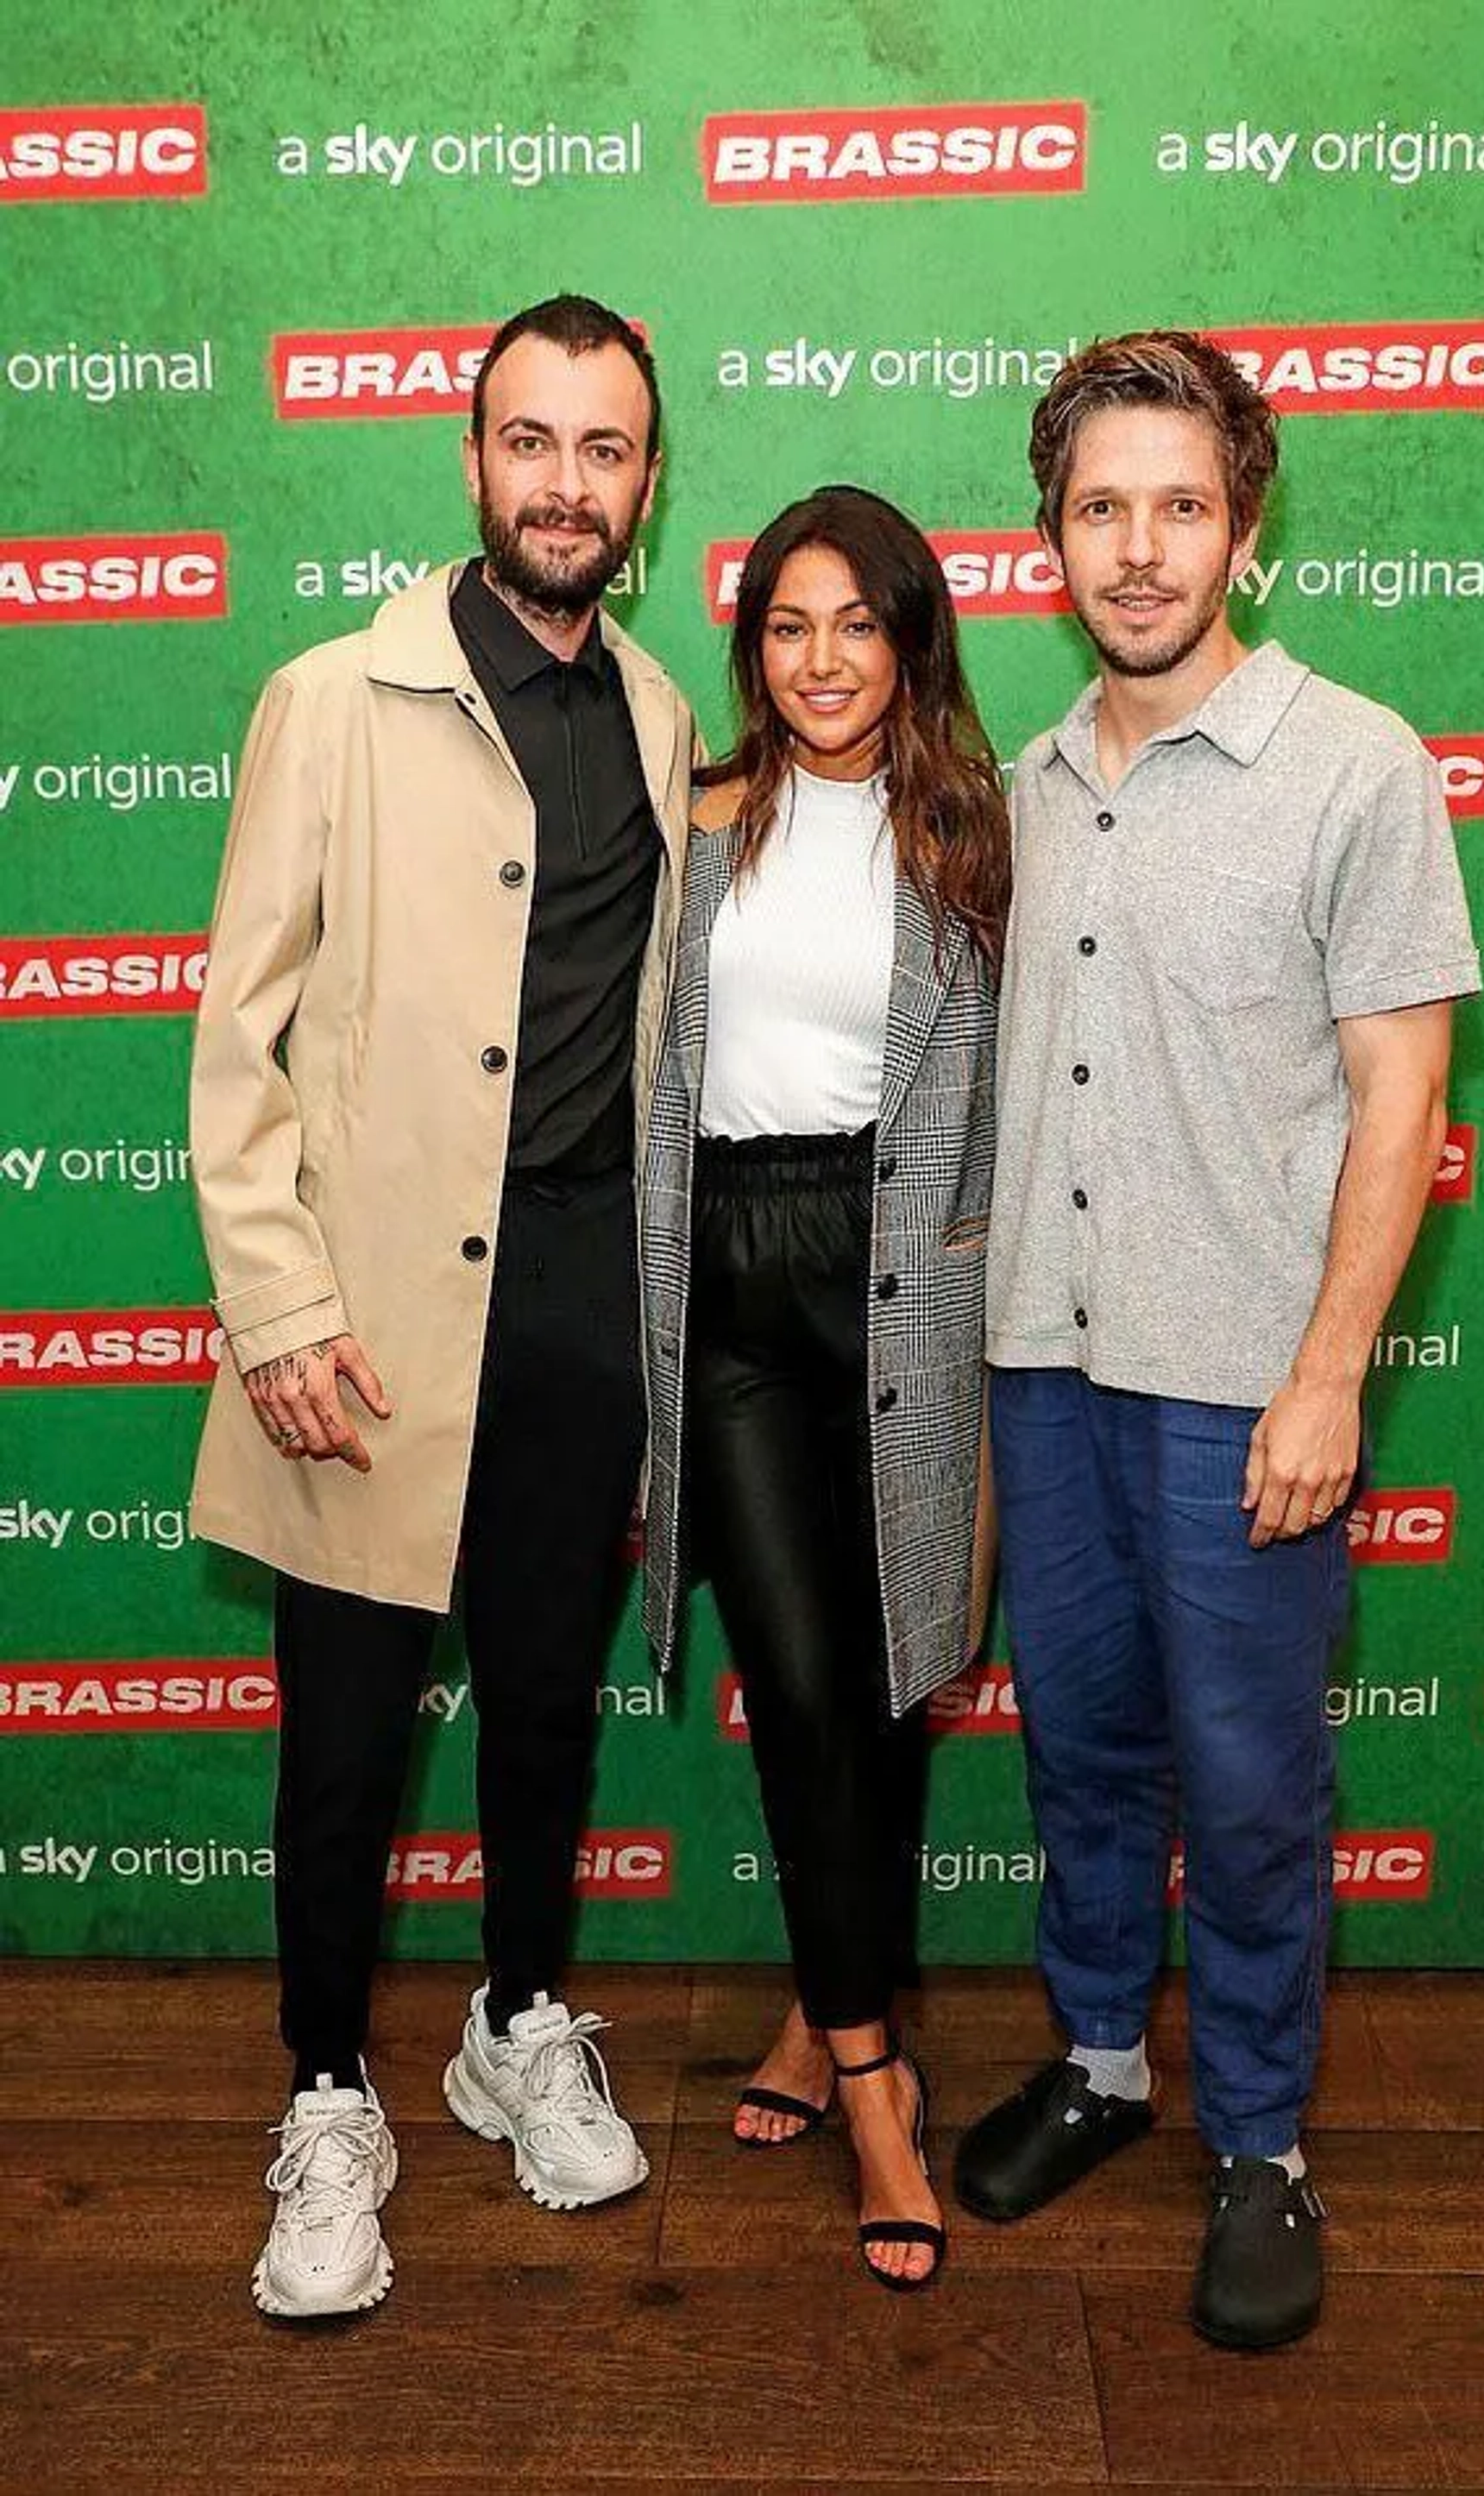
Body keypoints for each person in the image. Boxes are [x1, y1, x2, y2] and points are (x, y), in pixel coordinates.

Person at [953, 331, 1480, 2348]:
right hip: (1048, 1364)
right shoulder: (1024, 791)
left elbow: (1401, 1094)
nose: (1141, 545)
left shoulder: (1353, 763)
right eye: (1102, 506)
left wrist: (1330, 1372)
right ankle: (1101, 2060)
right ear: (1052, 537)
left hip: (1242, 1384)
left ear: (1244, 528)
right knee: (1082, 1748)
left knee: (1249, 1781)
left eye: (1181, 504)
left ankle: (1261, 2139)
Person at [189, 294, 697, 2319]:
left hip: (583, 1291)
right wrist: (281, 1305)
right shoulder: (334, 696)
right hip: (372, 1312)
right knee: (342, 1738)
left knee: (549, 1704)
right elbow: (238, 1042)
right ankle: (326, 2095)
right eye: (531, 441)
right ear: (471, 459)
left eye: (606, 448)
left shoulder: (659, 713)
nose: (565, 483)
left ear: (647, 485)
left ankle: (517, 2020)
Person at [640, 484, 1008, 2290]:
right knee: (794, 1675)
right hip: (725, 1273)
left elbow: (1019, 1093)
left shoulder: (974, 836)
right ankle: (879, 2086)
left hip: (901, 1281)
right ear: (752, 648)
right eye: (789, 627)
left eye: (857, 623)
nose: (822, 660)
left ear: (911, 636)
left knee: (883, 1681)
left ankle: (813, 2007)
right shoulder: (691, 824)